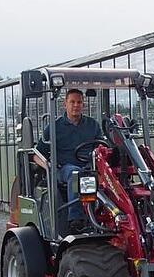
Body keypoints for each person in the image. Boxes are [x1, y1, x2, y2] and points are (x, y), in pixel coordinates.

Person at [35, 88, 103, 233]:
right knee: (76, 174)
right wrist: (47, 166)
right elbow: (36, 154)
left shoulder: (92, 125)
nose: (76, 105)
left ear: (83, 105)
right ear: (65, 104)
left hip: (89, 167)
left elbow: (102, 147)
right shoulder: (54, 127)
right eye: (72, 102)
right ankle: (75, 220)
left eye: (79, 102)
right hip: (64, 170)